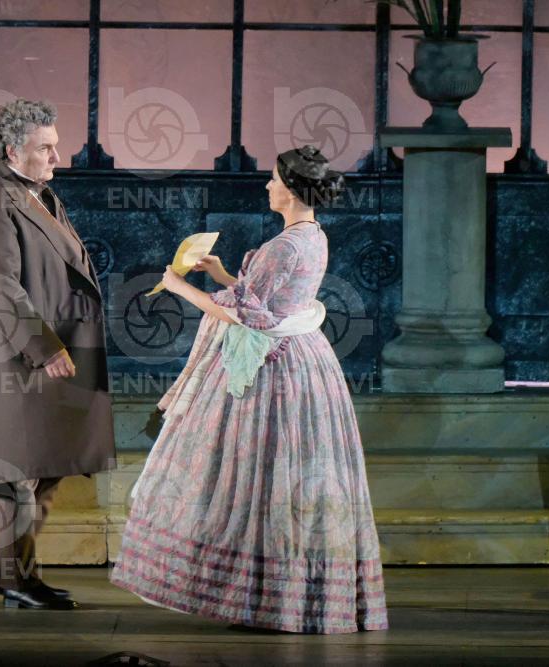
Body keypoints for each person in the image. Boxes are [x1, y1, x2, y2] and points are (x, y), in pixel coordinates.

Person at [109, 145, 388, 634]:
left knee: (255, 474)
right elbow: (265, 300)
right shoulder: (314, 235)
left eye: (274, 178)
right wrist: (220, 274)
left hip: (272, 367)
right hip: (303, 358)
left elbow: (245, 316)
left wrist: (178, 287)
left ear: (292, 188)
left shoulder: (285, 246)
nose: (267, 185)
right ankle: (279, 598)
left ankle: (261, 599)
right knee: (277, 478)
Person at [0, 99, 115, 610]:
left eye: (55, 146)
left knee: (44, 465)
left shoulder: (37, 193)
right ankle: (14, 578)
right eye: (46, 148)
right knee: (17, 472)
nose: (57, 157)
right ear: (13, 151)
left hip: (48, 353)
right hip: (14, 359)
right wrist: (44, 346)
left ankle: (14, 574)